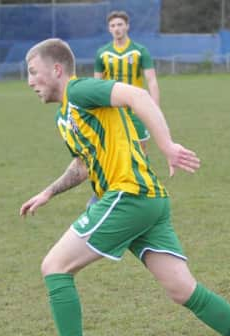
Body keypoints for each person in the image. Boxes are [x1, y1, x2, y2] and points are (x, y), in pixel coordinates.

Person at [20, 38, 230, 336]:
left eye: (33, 72)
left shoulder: (80, 90)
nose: (30, 81)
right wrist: (49, 191)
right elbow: (83, 165)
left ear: (56, 70)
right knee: (182, 289)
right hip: (147, 201)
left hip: (128, 195)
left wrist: (167, 145)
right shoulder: (65, 114)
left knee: (54, 267)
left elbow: (137, 96)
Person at [88, 10, 160, 206]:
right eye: (113, 26)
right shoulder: (102, 53)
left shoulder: (139, 51)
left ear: (127, 26)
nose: (117, 29)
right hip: (112, 110)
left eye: (120, 25)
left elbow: (151, 80)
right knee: (111, 150)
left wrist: (154, 108)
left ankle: (144, 189)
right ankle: (109, 190)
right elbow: (96, 84)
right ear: (109, 29)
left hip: (136, 110)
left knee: (141, 150)